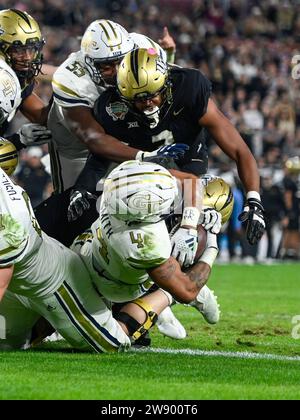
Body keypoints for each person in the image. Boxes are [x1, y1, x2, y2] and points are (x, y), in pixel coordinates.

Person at [79, 47, 266, 266]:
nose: (147, 104)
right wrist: (83, 186)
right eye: (139, 100)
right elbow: (100, 151)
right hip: (146, 176)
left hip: (188, 166)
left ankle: (202, 250)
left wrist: (254, 199)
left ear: (166, 85)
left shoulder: (189, 89)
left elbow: (239, 150)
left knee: (217, 199)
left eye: (152, 95)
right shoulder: (111, 107)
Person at [0, 138, 178, 352]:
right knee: (7, 343)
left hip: (54, 283)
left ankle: (165, 294)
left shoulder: (8, 216)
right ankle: (45, 323)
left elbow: (3, 276)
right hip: (20, 283)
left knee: (113, 344)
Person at [71, 160, 222, 340]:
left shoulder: (118, 189)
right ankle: (166, 295)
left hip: (84, 251)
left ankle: (163, 292)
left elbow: (190, 181)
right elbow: (187, 291)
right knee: (113, 338)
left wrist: (189, 223)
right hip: (116, 286)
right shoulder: (143, 245)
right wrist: (212, 242)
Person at [48, 19, 177, 194]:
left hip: (125, 128)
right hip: (77, 145)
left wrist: (168, 59)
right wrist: (143, 156)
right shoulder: (70, 78)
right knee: (73, 201)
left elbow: (162, 85)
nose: (118, 71)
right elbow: (94, 139)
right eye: (107, 65)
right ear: (90, 62)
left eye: (122, 60)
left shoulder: (144, 46)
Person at [0, 9, 51, 146]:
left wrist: (63, 93)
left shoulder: (17, 78)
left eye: (32, 49)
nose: (28, 57)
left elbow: (43, 119)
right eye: (19, 50)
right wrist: (17, 141)